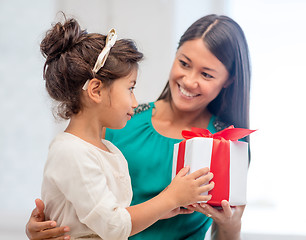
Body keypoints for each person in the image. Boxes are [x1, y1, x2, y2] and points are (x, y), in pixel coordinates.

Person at [26, 14, 251, 240]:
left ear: (228, 80)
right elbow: (76, 198)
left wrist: (232, 226)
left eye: (206, 74)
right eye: (184, 63)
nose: (190, 81)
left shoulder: (226, 146)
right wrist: (43, 227)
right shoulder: (118, 120)